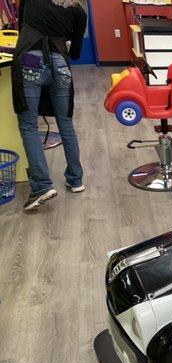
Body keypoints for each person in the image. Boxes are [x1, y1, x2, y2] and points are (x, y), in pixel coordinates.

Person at [12, 0, 87, 210]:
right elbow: (76, 54)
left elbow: (22, 28)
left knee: (29, 126)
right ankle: (76, 180)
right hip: (60, 64)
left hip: (30, 60)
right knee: (66, 123)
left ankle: (42, 186)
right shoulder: (78, 11)